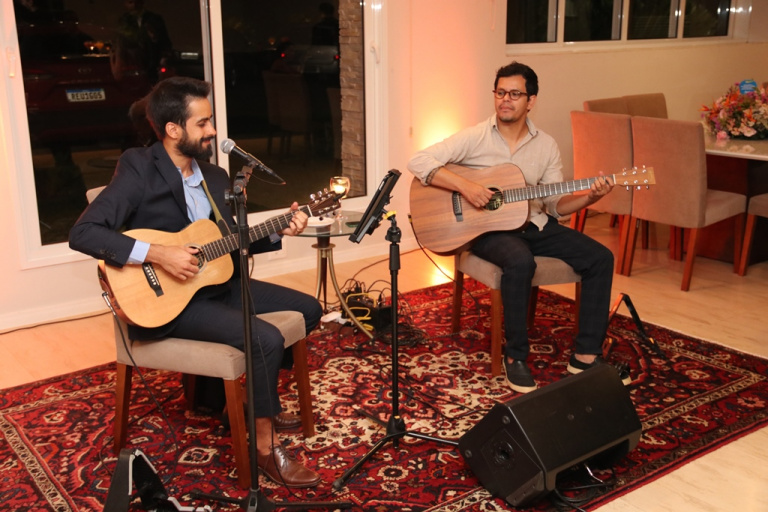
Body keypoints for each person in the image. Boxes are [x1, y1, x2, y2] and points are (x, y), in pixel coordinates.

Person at [69, 77, 323, 488]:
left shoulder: (215, 176)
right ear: (173, 129)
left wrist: (279, 231)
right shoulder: (139, 167)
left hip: (216, 285)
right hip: (169, 301)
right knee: (265, 339)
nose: (213, 131)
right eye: (202, 123)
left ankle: (250, 402)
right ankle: (264, 448)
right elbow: (84, 233)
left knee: (309, 308)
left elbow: (229, 242)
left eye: (211, 121)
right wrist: (158, 254)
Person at [408, 61, 628, 393]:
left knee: (600, 257)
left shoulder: (546, 145)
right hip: (487, 230)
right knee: (520, 261)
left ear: (531, 100)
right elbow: (419, 161)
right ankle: (516, 356)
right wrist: (467, 187)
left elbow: (555, 205)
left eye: (514, 94)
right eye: (500, 93)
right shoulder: (476, 136)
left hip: (534, 223)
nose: (505, 100)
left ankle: (585, 355)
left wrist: (589, 198)